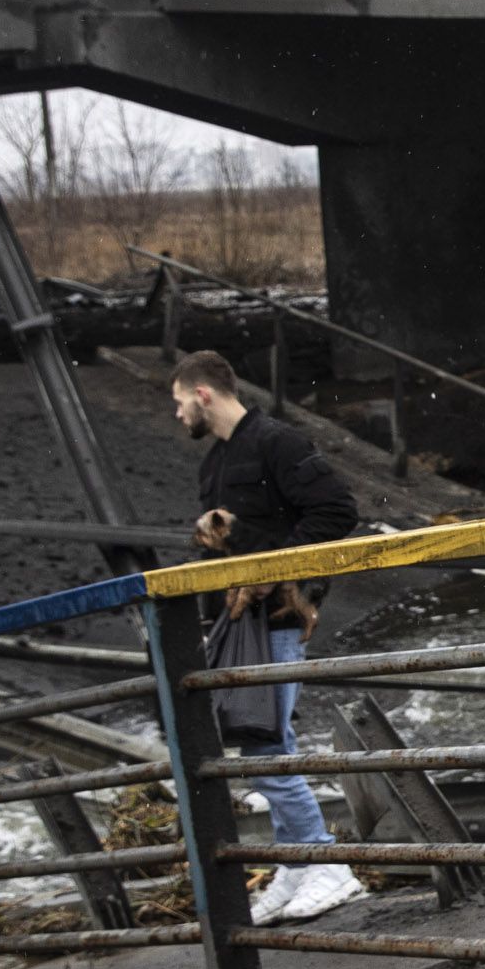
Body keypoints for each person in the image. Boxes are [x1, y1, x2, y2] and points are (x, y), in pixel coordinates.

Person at [170, 350, 365, 926]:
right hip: (239, 623)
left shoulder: (277, 442)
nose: (178, 415)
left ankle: (326, 865)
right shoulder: (214, 466)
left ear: (203, 394)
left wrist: (273, 571)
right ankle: (296, 864)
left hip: (281, 614)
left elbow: (337, 511)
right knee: (257, 739)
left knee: (265, 744)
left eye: (180, 402)